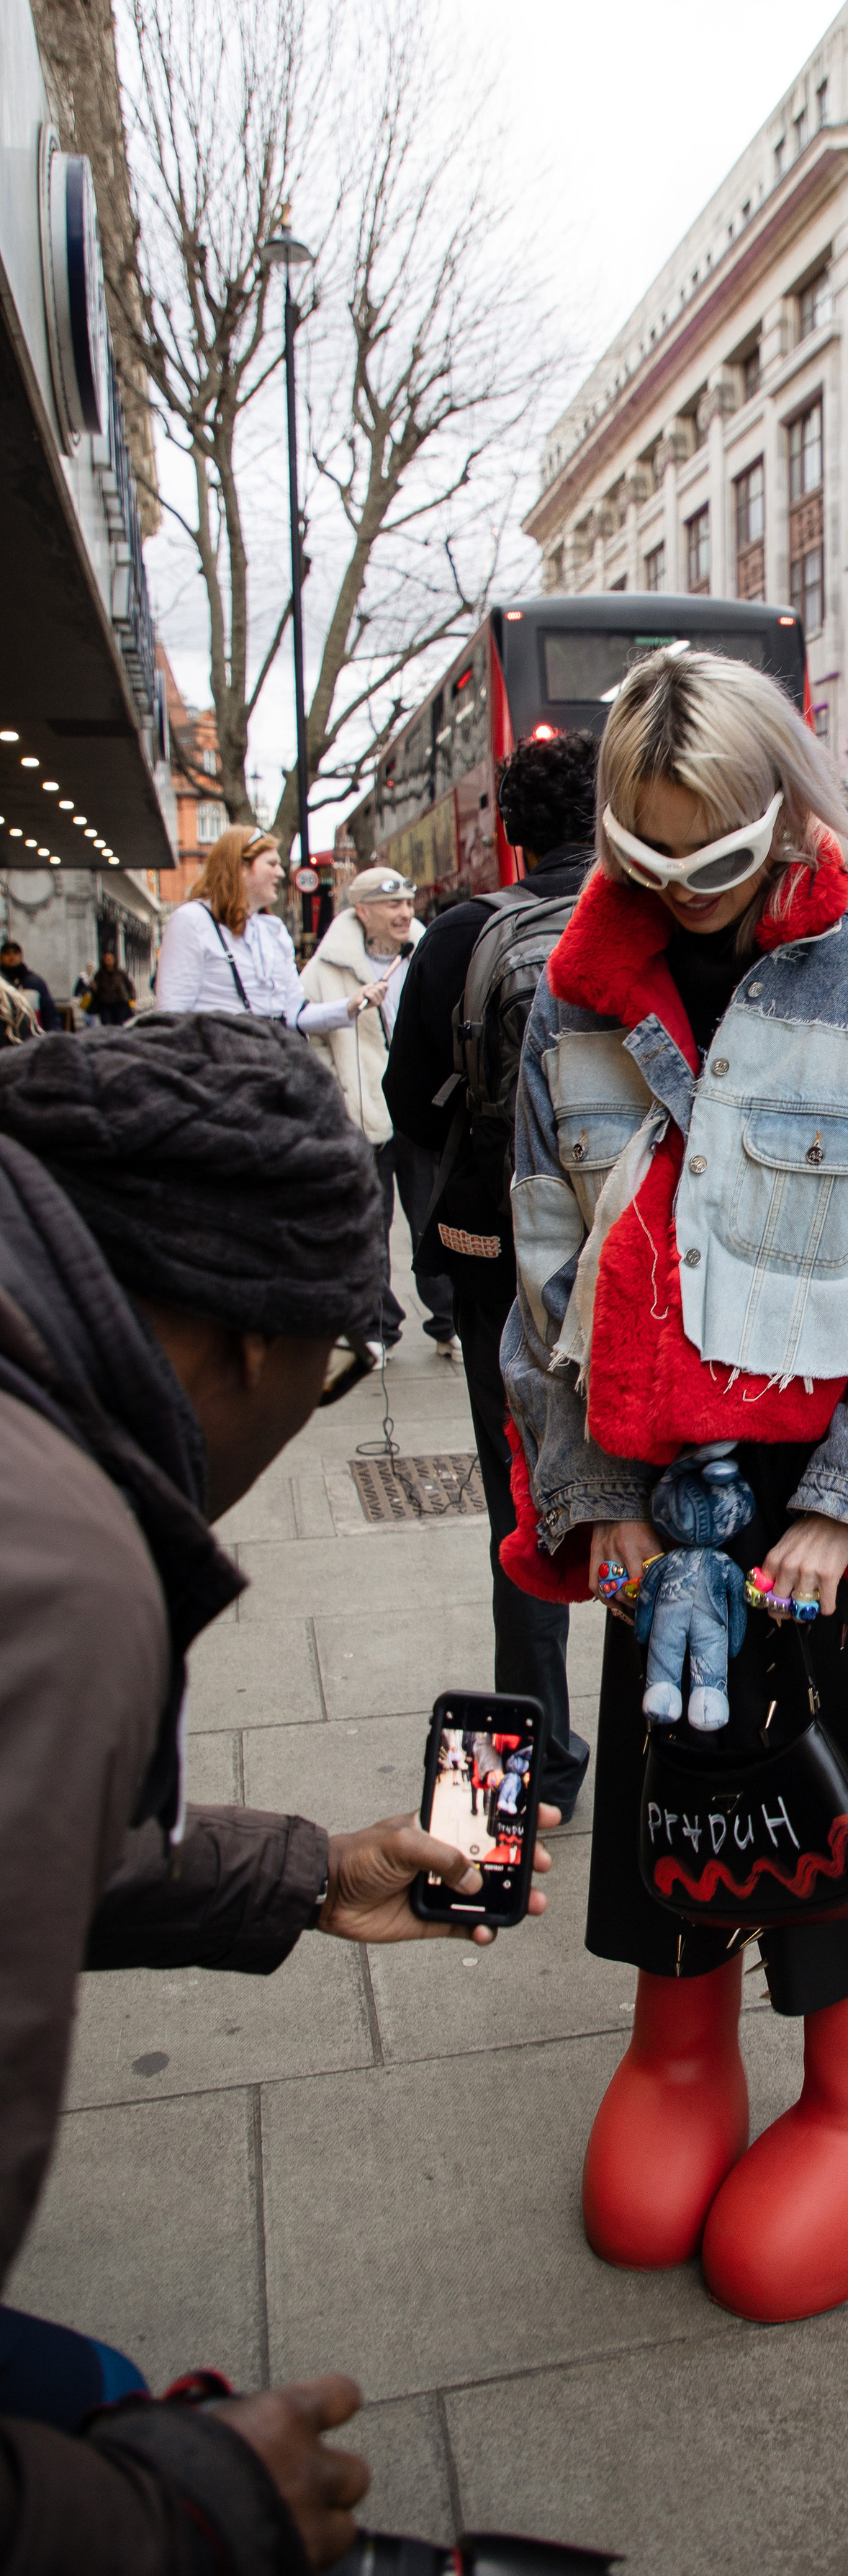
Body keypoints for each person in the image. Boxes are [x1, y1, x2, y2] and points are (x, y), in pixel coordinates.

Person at [501, 644, 848, 2324]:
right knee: (684, 1826)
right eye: (646, 867)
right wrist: (591, 1497)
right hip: (663, 1516)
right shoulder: (572, 998)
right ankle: (680, 2055)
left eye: (717, 864)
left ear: (783, 816)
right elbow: (549, 1267)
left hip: (839, 1530)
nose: (687, 904)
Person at [0, 1011, 557, 2575]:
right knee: (113, 2408)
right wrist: (192, 2513)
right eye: (322, 1377)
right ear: (245, 1341)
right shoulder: (58, 1574)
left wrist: (307, 1872)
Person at [384, 730, 601, 1821]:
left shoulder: (462, 938)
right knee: (672, 1491)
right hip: (648, 1273)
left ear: (508, 830)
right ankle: (681, 1730)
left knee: (526, 1500)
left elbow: (409, 1100)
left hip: (501, 1271)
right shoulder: (654, 922)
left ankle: (540, 1762)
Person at [300, 867, 455, 1364]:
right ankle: (376, 1327)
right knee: (369, 1224)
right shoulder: (327, 966)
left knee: (431, 1220)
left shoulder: (428, 951)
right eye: (392, 905)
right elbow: (306, 1031)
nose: (405, 913)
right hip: (361, 1112)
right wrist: (338, 1090)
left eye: (409, 903)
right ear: (361, 911)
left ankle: (448, 1322)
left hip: (417, 1108)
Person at [154, 826, 388, 1038]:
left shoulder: (272, 930)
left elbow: (295, 1014)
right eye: (271, 864)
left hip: (269, 1069)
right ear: (242, 867)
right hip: (219, 1075)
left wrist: (350, 1005)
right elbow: (171, 1019)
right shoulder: (191, 920)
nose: (280, 873)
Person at [0, 940, 56, 1032]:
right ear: (1, 957)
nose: (11, 957)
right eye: (7, 953)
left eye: (15, 953)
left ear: (21, 956)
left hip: (32, 1036)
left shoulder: (36, 983)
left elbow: (49, 1013)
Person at [87, 948, 137, 1025]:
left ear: (114, 960)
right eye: (107, 959)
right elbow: (96, 991)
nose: (109, 961)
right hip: (105, 1004)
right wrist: (93, 988)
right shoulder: (100, 975)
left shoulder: (121, 973)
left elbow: (130, 986)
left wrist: (132, 999)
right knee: (107, 1025)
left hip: (120, 1003)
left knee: (119, 1025)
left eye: (110, 959)